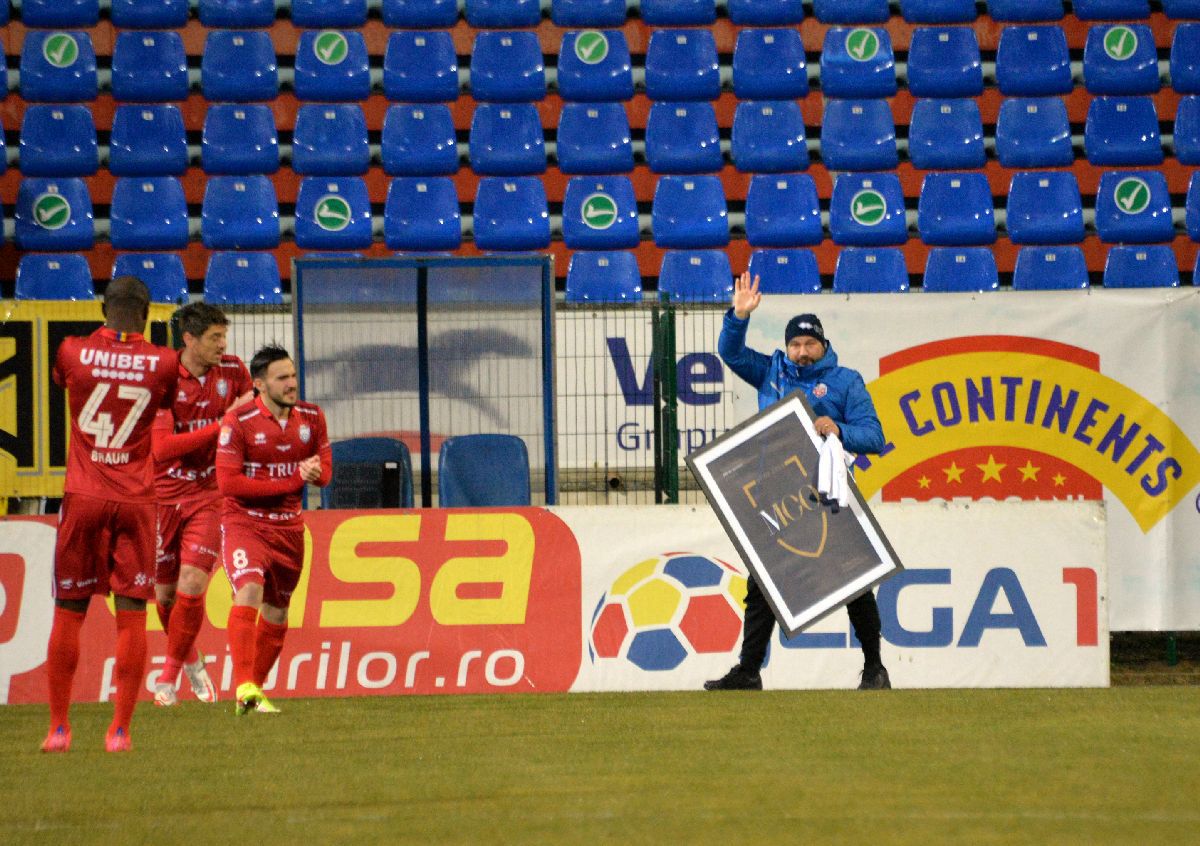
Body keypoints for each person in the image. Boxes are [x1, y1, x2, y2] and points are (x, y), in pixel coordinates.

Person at [705, 271, 892, 692]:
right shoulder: (772, 370)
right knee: (762, 584)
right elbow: (729, 353)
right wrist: (738, 316)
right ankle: (749, 671)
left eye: (810, 344)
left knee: (854, 581)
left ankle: (875, 669)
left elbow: (875, 437)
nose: (802, 352)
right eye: (795, 344)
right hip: (776, 495)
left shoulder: (846, 382)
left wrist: (839, 429)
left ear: (823, 346)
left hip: (827, 495)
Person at [43, 276, 179, 753]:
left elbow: (64, 384)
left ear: (103, 308)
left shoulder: (72, 350)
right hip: (137, 499)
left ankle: (59, 727)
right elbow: (165, 404)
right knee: (132, 617)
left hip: (83, 495)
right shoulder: (164, 362)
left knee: (69, 611)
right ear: (147, 314)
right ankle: (119, 730)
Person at [216, 345, 331, 715]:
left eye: (293, 375)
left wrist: (314, 475)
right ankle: (244, 684)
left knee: (278, 612)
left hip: (290, 530)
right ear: (259, 384)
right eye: (282, 378)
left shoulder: (312, 418)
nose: (292, 384)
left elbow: (326, 472)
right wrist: (294, 479)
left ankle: (255, 692)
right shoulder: (239, 422)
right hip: (245, 523)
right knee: (249, 589)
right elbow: (229, 485)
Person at [151, 303, 253, 707]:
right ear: (188, 339)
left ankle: (167, 678)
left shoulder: (232, 370)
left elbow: (249, 408)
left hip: (210, 494)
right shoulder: (162, 380)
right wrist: (223, 425)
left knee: (192, 582)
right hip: (162, 496)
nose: (222, 345)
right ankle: (190, 660)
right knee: (164, 597)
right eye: (214, 338)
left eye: (224, 336)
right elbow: (162, 448)